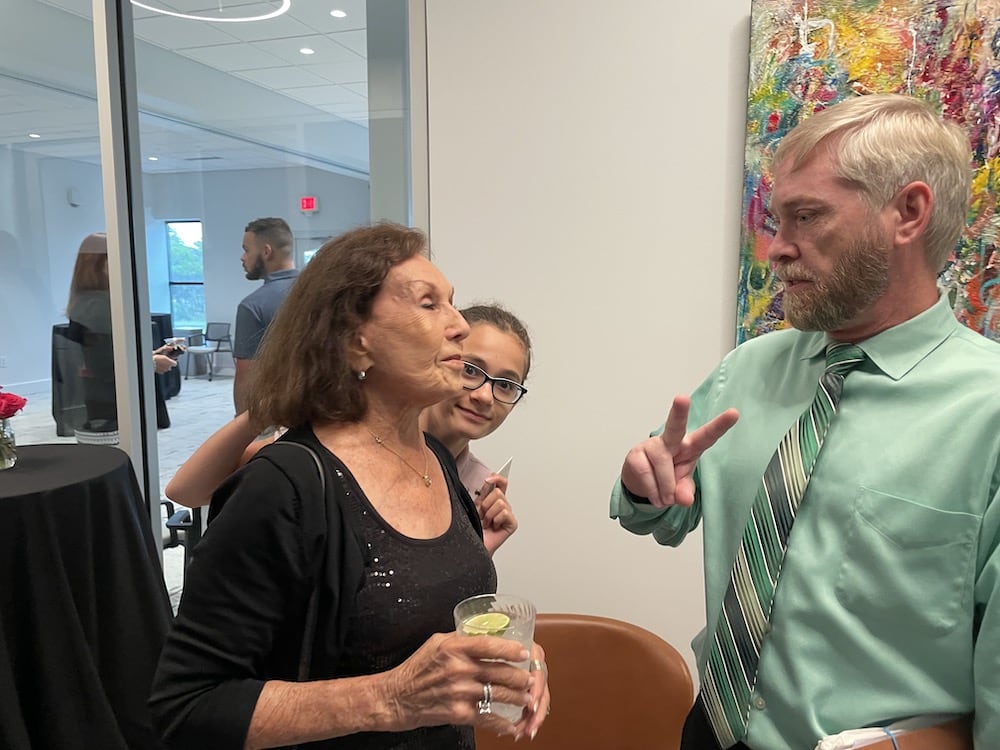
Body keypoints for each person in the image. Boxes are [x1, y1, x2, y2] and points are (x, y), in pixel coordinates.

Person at [610, 94, 999, 750]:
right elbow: (663, 510)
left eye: (805, 217)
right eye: (776, 220)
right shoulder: (748, 370)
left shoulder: (988, 410)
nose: (777, 250)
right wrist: (645, 489)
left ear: (907, 212)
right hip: (712, 731)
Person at [150, 222, 549, 750]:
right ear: (355, 340)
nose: (457, 325)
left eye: (452, 304)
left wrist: (515, 658)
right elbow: (187, 706)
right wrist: (393, 697)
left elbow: (425, 623)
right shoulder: (284, 485)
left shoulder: (437, 464)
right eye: (430, 305)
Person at [163, 303, 532, 554]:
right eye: (471, 369)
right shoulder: (348, 434)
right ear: (440, 359)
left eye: (505, 384)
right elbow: (187, 491)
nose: (485, 395)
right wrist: (271, 408)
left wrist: (479, 550)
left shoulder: (478, 489)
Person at [66, 232, 178, 436]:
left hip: (107, 397)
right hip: (111, 402)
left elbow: (112, 352)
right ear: (101, 265)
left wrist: (152, 354)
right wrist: (152, 363)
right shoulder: (97, 307)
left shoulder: (89, 303)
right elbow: (105, 365)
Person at [233, 217, 299, 413]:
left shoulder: (253, 306)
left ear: (267, 252)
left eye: (246, 250)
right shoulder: (323, 291)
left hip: (280, 414)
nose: (242, 257)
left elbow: (246, 377)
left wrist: (242, 424)